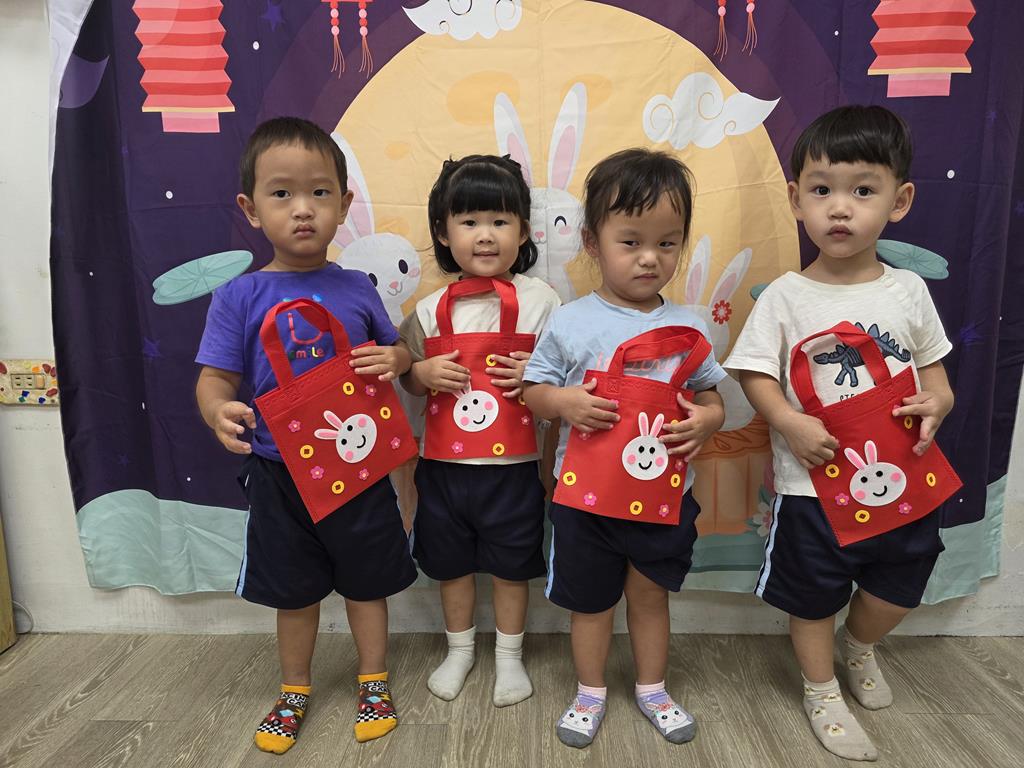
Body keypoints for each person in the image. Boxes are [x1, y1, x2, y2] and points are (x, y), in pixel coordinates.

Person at [725, 105, 955, 762]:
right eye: (822, 190)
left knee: (901, 581)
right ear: (796, 199)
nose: (840, 209)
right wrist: (788, 420)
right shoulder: (785, 296)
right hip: (811, 487)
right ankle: (820, 688)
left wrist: (938, 402)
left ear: (898, 201)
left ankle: (859, 647)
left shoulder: (907, 291)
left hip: (903, 476)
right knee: (813, 595)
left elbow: (936, 375)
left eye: (863, 190)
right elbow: (754, 373)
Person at [195, 117, 416, 752]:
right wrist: (218, 411)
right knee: (292, 591)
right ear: (250, 208)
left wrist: (398, 359)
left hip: (360, 467)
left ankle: (373, 679)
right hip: (278, 473)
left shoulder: (355, 287)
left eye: (319, 193)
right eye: (282, 193)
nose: (302, 209)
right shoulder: (239, 295)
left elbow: (398, 352)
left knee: (367, 582)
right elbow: (214, 378)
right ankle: (294, 689)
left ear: (344, 205)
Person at [522, 148, 726, 748]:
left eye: (667, 243)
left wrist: (707, 421)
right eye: (630, 241)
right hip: (585, 502)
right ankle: (589, 691)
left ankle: (652, 688)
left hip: (664, 498)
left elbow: (712, 396)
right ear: (592, 242)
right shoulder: (570, 321)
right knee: (589, 603)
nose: (649, 257)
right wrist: (565, 403)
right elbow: (532, 392)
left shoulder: (690, 325)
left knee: (650, 595)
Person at [398, 155, 561, 707]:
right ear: (444, 233)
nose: (485, 235)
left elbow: (567, 374)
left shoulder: (542, 302)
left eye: (499, 220)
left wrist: (536, 371)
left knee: (513, 567)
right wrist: (420, 372)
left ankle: (510, 657)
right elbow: (408, 376)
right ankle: (460, 649)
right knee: (451, 566)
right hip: (443, 469)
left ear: (523, 230)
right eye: (469, 221)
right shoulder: (427, 309)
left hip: (516, 470)